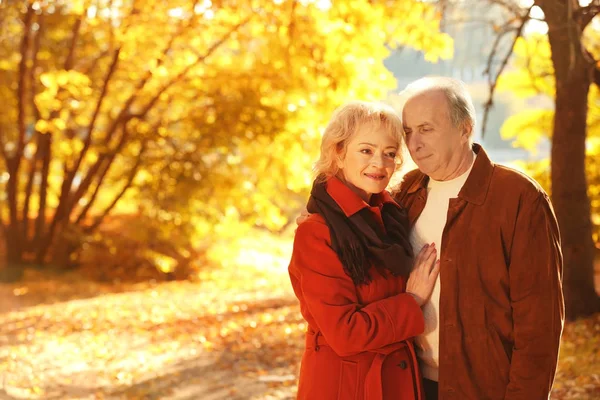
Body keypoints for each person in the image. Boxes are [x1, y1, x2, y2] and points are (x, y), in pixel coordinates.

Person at [392, 76, 564, 399]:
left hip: (486, 389)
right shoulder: (405, 193)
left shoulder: (519, 198)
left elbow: (539, 328)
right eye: (408, 131)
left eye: (426, 129)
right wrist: (318, 213)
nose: (414, 144)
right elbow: (351, 210)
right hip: (411, 384)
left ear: (465, 128)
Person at [288, 101, 440, 400]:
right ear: (339, 152)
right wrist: (411, 300)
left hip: (397, 382)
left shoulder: (391, 217)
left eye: (390, 153)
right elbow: (345, 334)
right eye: (366, 150)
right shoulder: (317, 232)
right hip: (346, 387)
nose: (380, 163)